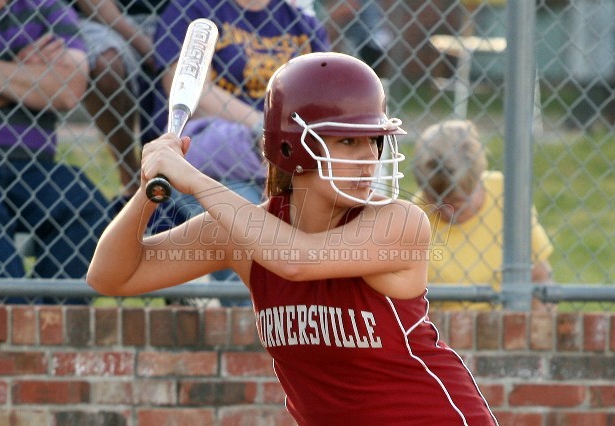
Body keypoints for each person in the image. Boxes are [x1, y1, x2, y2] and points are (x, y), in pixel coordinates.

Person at [88, 52, 498, 425]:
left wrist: (193, 179)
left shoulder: (398, 221)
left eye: (373, 140)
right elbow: (111, 276)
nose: (369, 158)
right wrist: (152, 185)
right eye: (347, 141)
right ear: (291, 146)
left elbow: (296, 260)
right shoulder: (245, 233)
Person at [143, 0, 330, 306]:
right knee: (249, 227)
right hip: (215, 160)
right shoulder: (194, 9)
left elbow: (325, 98)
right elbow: (193, 92)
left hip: (286, 158)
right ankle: (254, 321)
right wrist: (263, 128)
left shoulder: (300, 22)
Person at [0, 0, 109, 287]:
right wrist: (25, 73)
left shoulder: (46, 7)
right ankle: (11, 307)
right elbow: (52, 85)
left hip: (35, 166)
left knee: (88, 207)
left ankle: (51, 310)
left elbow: (69, 88)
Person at [412, 119, 554, 310]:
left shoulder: (505, 195)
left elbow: (540, 278)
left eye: (456, 203)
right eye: (433, 200)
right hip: (437, 325)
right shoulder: (412, 217)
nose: (444, 210)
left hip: (503, 321)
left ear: (478, 181)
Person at [67, 0, 169, 212]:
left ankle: (173, 181)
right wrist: (146, 48)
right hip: (101, 19)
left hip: (174, 13)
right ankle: (133, 181)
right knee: (106, 64)